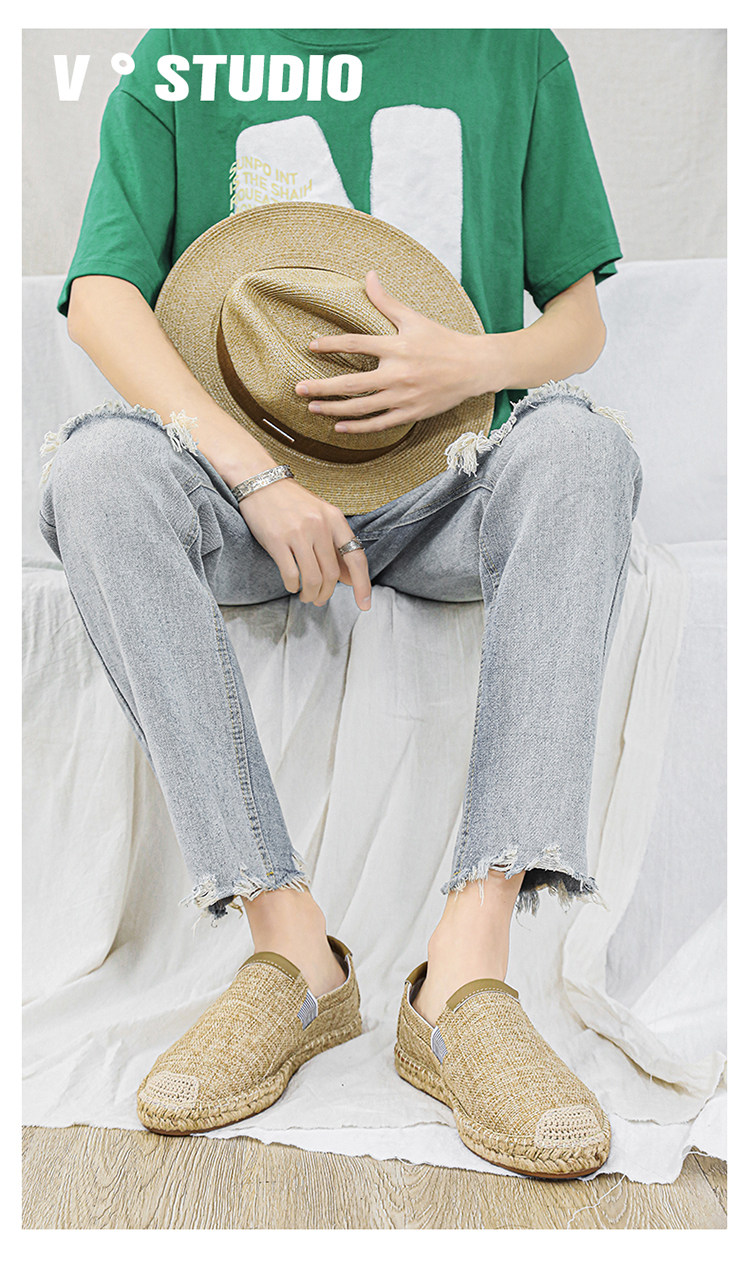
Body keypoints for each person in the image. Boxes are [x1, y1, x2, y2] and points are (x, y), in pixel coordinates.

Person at [38, 28, 642, 1178]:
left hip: (453, 487)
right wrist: (256, 475)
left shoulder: (512, 47)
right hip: (247, 508)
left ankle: (466, 977)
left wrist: (472, 364)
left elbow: (578, 321)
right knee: (97, 469)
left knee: (582, 447)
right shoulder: (186, 51)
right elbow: (103, 296)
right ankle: (295, 957)